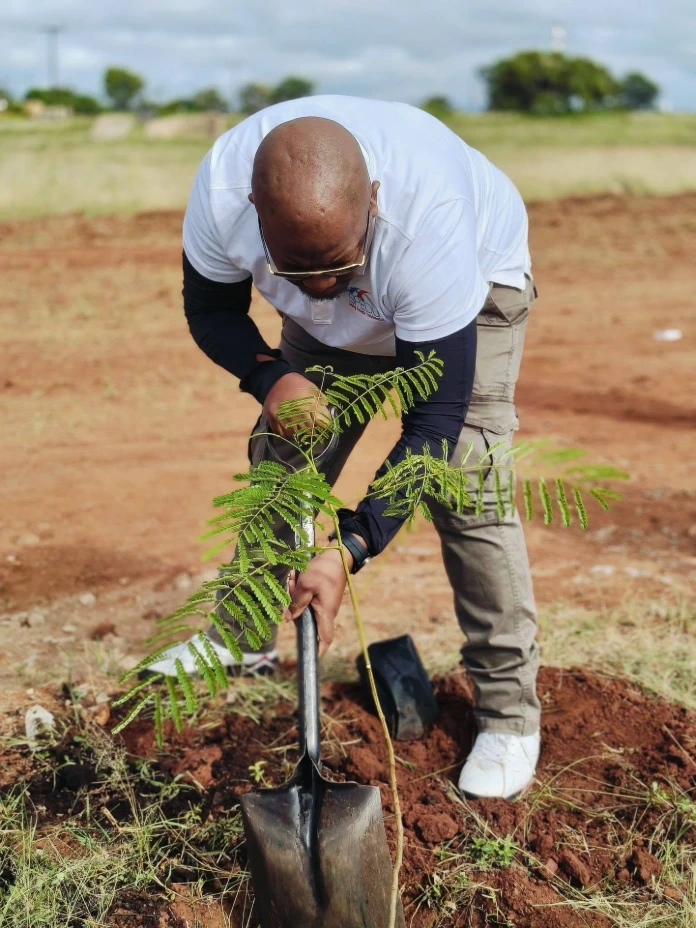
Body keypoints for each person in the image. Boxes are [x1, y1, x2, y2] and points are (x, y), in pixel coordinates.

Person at [149, 96, 540, 799]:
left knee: (466, 481)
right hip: (353, 301)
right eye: (298, 271)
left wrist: (349, 548)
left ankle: (510, 715)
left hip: (469, 294)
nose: (323, 290)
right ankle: (241, 637)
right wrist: (271, 377)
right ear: (255, 213)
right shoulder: (220, 194)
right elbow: (211, 309)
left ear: (374, 203)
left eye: (336, 265)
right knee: (285, 460)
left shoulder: (430, 223)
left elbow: (434, 422)